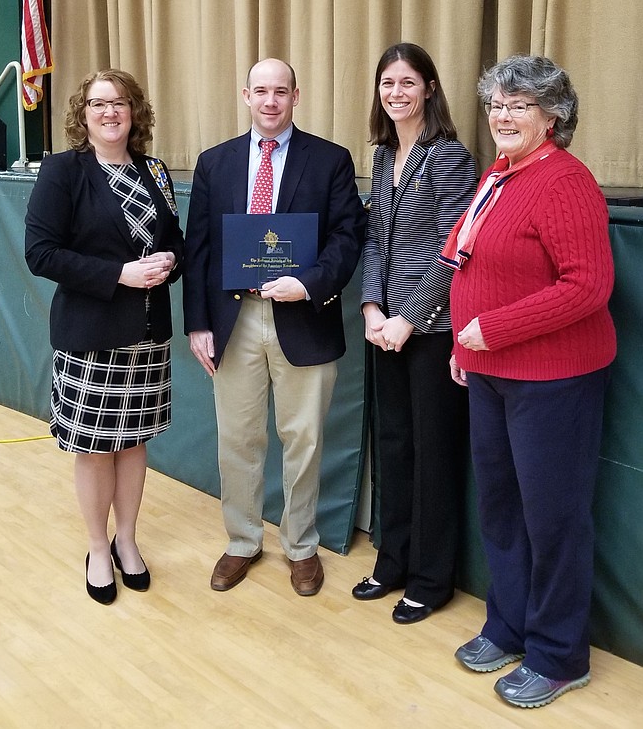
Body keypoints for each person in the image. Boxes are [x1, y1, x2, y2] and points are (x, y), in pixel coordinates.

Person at [444, 55, 616, 707]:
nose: (503, 116)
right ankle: (510, 626)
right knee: (503, 511)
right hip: (489, 372)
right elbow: (469, 260)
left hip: (555, 380)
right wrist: (468, 345)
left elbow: (589, 288)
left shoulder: (567, 182)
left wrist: (492, 331)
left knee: (554, 520)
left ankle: (559, 655)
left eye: (519, 105)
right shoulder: (501, 173)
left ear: (553, 115)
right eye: (496, 104)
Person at [182, 58, 366, 596]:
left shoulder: (330, 160)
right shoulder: (214, 164)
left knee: (303, 439)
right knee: (237, 438)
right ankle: (241, 541)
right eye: (260, 91)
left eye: (280, 92)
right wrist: (198, 324)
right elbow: (199, 251)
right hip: (232, 321)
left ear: (295, 96)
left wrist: (308, 283)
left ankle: (301, 545)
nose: (270, 101)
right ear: (245, 95)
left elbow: (346, 239)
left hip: (302, 317)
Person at [25, 69, 184, 605]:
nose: (110, 112)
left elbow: (176, 243)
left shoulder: (154, 171)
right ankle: (98, 547)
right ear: (83, 115)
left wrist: (169, 262)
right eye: (98, 104)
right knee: (94, 449)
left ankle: (128, 541)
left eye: (119, 102)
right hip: (91, 335)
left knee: (133, 443)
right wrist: (119, 273)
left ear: (134, 111)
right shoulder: (62, 172)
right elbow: (40, 253)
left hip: (145, 335)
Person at [351, 43, 477, 624]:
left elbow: (458, 249)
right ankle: (392, 560)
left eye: (407, 82)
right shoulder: (382, 156)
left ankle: (432, 578)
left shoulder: (449, 156)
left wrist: (411, 317)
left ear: (429, 87)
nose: (396, 92)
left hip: (433, 330)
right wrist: (374, 307)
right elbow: (375, 239)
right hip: (386, 328)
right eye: (387, 83)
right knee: (394, 446)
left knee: (432, 454)